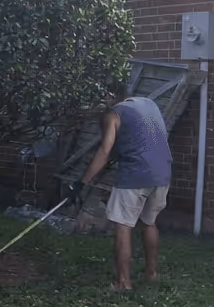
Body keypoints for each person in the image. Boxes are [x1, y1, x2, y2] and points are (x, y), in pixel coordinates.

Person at [69, 88, 172, 290]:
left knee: (123, 227)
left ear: (110, 96)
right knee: (149, 222)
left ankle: (122, 283)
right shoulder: (149, 104)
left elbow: (105, 151)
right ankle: (151, 273)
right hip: (162, 172)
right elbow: (132, 144)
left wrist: (81, 182)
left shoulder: (114, 113)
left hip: (135, 174)